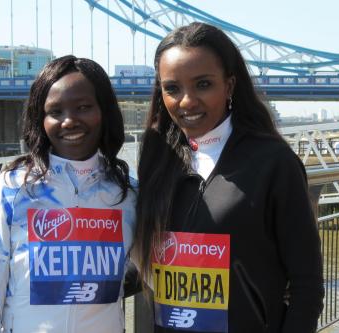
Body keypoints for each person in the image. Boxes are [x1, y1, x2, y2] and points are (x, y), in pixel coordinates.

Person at [134, 22, 324, 333]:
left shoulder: (274, 162)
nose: (186, 101)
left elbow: (307, 284)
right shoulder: (158, 162)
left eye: (203, 84)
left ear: (230, 85)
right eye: (172, 88)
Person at [0, 55, 136, 333]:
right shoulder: (12, 190)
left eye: (83, 107)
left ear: (104, 111)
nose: (69, 121)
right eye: (55, 112)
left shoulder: (128, 194)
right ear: (40, 119)